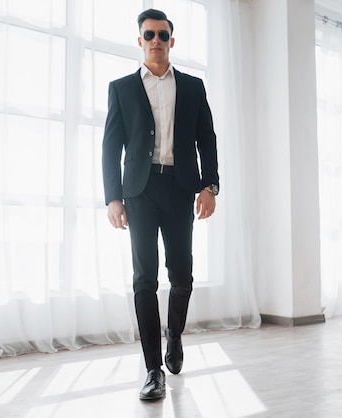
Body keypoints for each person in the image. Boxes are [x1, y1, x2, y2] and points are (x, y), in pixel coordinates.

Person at [102, 8, 219, 401]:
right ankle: (153, 369)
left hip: (181, 187)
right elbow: (110, 146)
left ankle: (175, 335)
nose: (156, 41)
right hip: (139, 190)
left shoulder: (192, 86)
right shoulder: (121, 88)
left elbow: (208, 138)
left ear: (172, 40)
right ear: (140, 40)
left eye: (162, 35)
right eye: (149, 34)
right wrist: (112, 197)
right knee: (144, 279)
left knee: (181, 274)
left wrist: (210, 187)